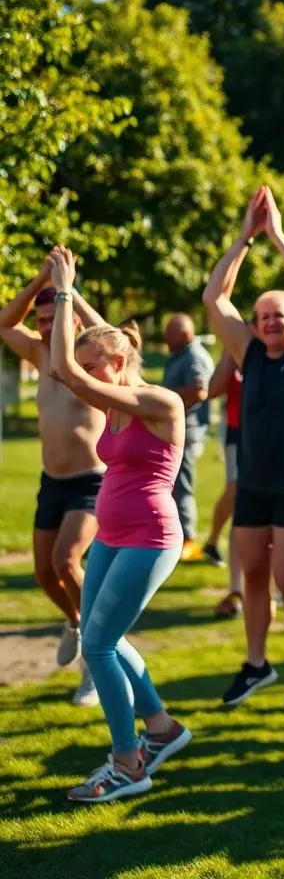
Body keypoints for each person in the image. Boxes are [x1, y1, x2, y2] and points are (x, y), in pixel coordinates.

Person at [46, 247, 192, 803]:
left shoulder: (160, 402)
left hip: (151, 537)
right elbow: (95, 340)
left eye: (92, 362)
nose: (82, 371)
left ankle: (128, 763)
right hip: (111, 533)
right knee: (101, 634)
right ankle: (162, 729)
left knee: (100, 646)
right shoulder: (116, 398)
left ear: (115, 363)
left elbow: (63, 368)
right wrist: (73, 292)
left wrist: (62, 291)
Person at [203, 185, 284, 711]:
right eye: (264, 317)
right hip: (254, 484)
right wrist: (243, 240)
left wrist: (277, 235)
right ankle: (257, 664)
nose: (273, 322)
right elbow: (215, 297)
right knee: (253, 574)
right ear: (255, 326)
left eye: (281, 316)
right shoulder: (248, 353)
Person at [0, 257, 109, 707]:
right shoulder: (39, 352)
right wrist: (42, 281)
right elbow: (6, 323)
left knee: (67, 561)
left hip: (92, 482)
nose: (46, 327)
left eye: (53, 318)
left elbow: (106, 331)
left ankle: (92, 666)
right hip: (53, 481)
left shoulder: (88, 357)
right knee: (43, 572)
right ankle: (77, 623)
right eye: (41, 321)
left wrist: (69, 289)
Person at [162, 314, 215, 563]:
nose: (165, 337)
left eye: (170, 332)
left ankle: (188, 539)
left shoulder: (194, 356)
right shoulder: (180, 354)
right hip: (177, 428)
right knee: (173, 484)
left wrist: (167, 398)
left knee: (182, 484)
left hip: (188, 429)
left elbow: (200, 390)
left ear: (185, 334)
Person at [207, 350, 244, 616]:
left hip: (274, 436)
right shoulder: (235, 352)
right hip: (239, 433)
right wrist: (230, 353)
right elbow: (213, 390)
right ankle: (237, 589)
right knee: (237, 497)